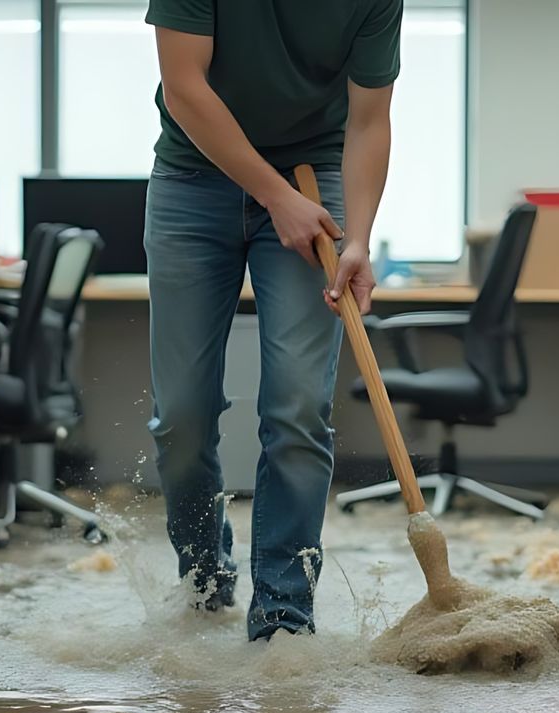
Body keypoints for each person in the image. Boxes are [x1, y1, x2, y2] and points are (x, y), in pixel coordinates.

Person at [144, 0, 399, 641]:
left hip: (313, 179)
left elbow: (370, 119)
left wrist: (358, 238)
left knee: (297, 406)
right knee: (182, 415)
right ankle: (205, 578)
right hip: (192, 178)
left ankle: (284, 613)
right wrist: (273, 195)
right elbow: (184, 88)